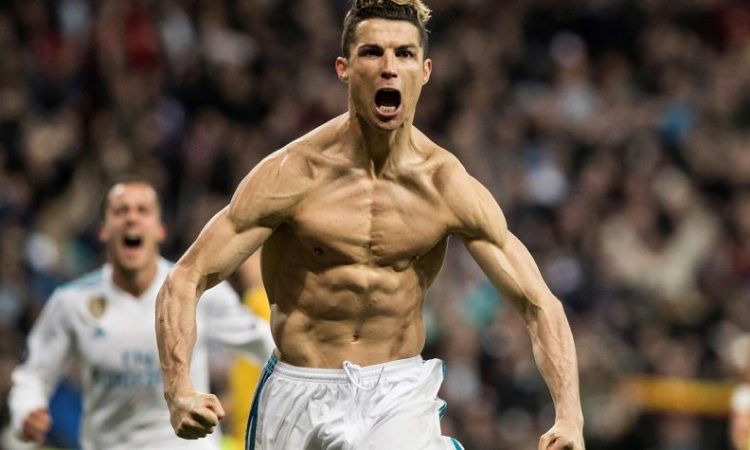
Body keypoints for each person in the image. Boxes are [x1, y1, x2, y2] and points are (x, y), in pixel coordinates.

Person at [155, 1, 585, 449]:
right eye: (372, 52)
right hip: (298, 390)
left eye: (405, 54)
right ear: (343, 68)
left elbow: (538, 303)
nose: (389, 67)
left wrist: (570, 418)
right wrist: (178, 390)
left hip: (396, 391)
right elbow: (186, 277)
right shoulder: (293, 174)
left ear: (425, 71)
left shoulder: (445, 186)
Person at [8, 179, 275, 450]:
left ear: (160, 229)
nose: (131, 219)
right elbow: (33, 375)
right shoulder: (72, 303)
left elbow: (265, 343)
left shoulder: (201, 293)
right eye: (120, 211)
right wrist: (26, 410)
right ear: (104, 230)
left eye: (142, 210)